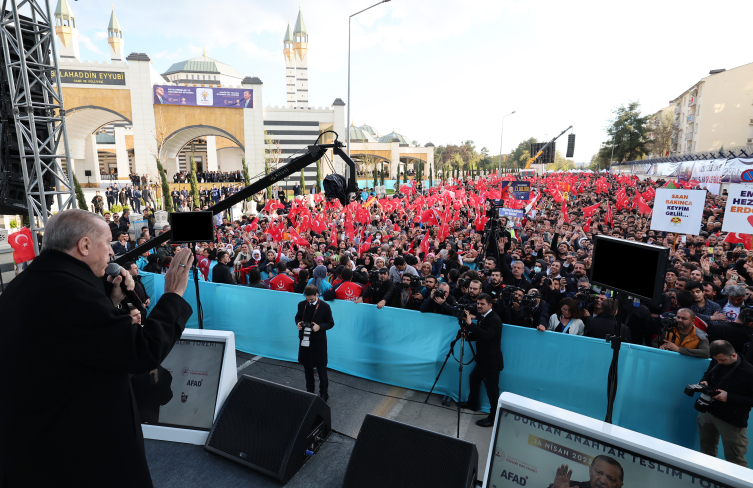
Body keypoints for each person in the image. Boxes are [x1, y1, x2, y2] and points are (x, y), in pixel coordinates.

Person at [0, 209, 194, 487]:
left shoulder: (30, 282)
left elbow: (72, 342)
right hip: (75, 454)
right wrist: (173, 294)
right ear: (85, 245)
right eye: (107, 243)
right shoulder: (70, 292)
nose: (111, 254)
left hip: (35, 444)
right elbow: (142, 352)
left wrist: (109, 303)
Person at [696, 340, 753, 467]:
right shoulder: (717, 359)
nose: (719, 363)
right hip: (707, 411)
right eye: (717, 360)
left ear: (733, 355)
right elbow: (708, 373)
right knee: (706, 451)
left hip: (731, 420)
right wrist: (704, 381)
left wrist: (729, 397)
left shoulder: (749, 372)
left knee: (735, 459)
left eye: (722, 361)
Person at [457, 293, 504, 427]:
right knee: (474, 378)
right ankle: (472, 403)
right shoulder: (483, 317)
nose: (479, 306)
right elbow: (480, 335)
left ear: (490, 305)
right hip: (482, 359)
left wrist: (470, 324)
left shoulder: (494, 319)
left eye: (482, 304)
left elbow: (486, 335)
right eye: (478, 303)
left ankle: (493, 417)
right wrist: (468, 336)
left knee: (492, 390)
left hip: (491, 362)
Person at [296, 285, 335, 403]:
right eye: (307, 299)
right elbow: (297, 317)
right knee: (307, 369)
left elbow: (330, 323)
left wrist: (320, 327)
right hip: (304, 341)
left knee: (321, 369)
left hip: (318, 342)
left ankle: (324, 393)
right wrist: (298, 323)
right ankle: (309, 392)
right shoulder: (301, 304)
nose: (309, 301)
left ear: (317, 295)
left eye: (311, 299)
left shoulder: (325, 306)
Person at [548, 456, 624, 488]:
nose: (602, 481)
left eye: (611, 479)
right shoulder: (570, 486)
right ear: (590, 471)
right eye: (598, 472)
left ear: (620, 486)